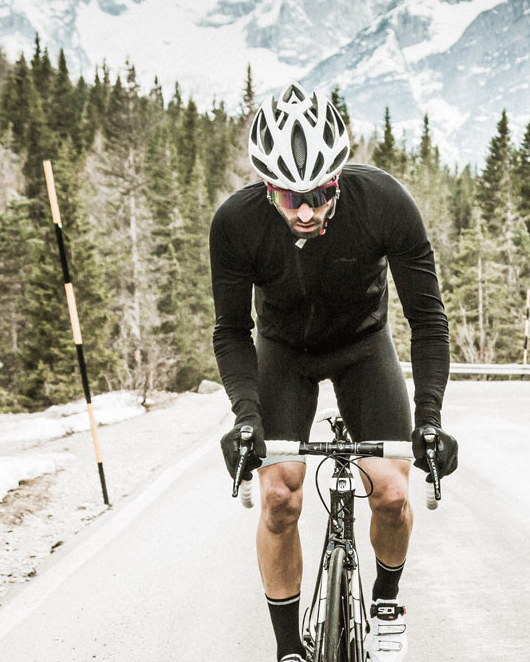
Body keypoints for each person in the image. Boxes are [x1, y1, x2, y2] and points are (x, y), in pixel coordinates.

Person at [212, 83, 458, 662]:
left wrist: (429, 419)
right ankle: (288, 649)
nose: (305, 211)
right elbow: (232, 331)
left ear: (339, 180)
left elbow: (428, 320)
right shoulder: (236, 223)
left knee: (392, 493)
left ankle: (386, 604)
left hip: (362, 346)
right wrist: (246, 418)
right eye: (289, 196)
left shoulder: (384, 202)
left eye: (320, 194)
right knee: (279, 498)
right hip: (283, 352)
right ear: (266, 187)